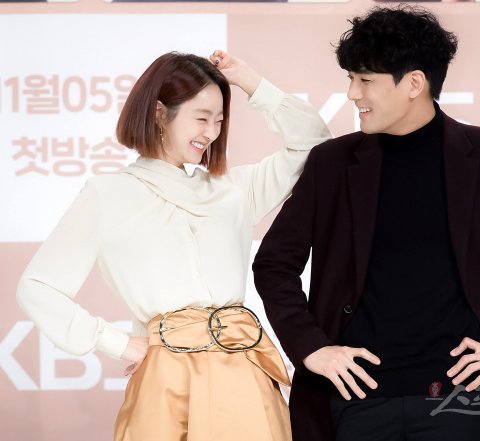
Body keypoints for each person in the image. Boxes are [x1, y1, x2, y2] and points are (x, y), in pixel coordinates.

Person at [252, 5, 480, 441]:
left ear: (414, 83)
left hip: (467, 404)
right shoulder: (331, 164)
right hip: (357, 403)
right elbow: (274, 264)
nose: (352, 94)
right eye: (351, 79)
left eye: (365, 80)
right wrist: (311, 347)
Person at [16, 50, 331, 440]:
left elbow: (315, 144)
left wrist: (251, 82)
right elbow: (37, 286)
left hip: (242, 374)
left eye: (219, 121)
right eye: (201, 118)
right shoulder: (108, 194)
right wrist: (115, 342)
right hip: (165, 378)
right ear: (160, 113)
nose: (211, 132)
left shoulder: (231, 192)